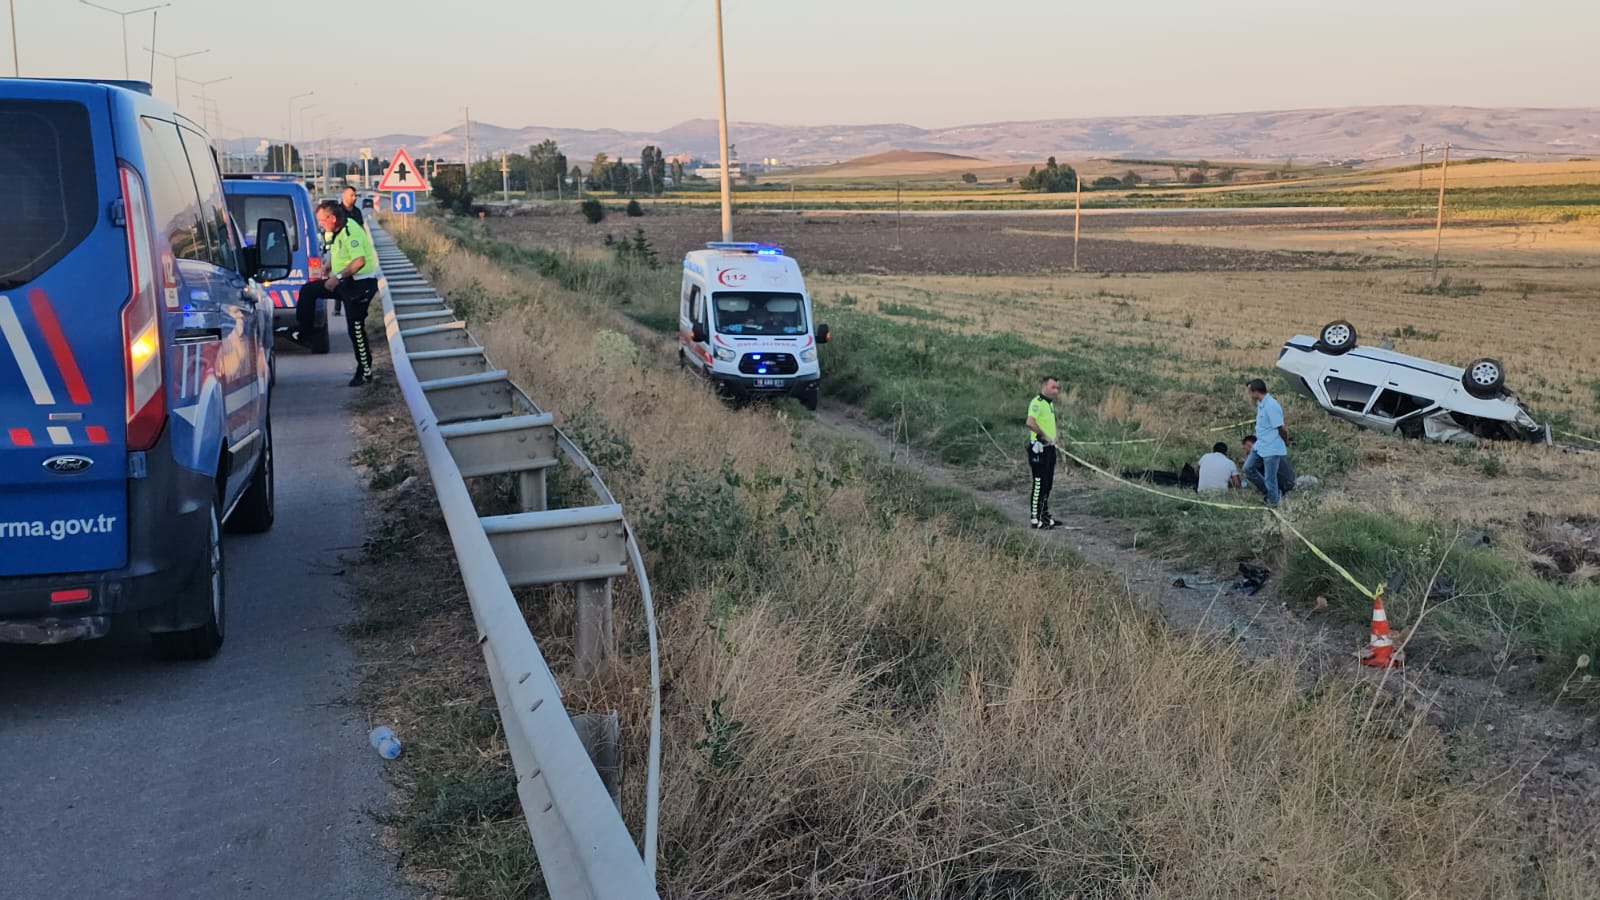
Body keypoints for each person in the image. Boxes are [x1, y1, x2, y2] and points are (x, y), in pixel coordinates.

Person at [293, 201, 379, 385]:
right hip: (345, 283)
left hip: (360, 286)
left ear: (332, 218)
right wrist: (328, 266)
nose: (321, 224)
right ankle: (306, 334)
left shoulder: (350, 231)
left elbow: (359, 261)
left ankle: (365, 372)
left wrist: (337, 277)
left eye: (322, 220)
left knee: (355, 329)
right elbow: (338, 251)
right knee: (308, 291)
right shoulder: (336, 231)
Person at [1242, 378, 1291, 507]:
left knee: (1271, 479)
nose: (1249, 394)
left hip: (1271, 448)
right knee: (1248, 469)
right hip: (1260, 445)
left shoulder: (1271, 406)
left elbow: (1280, 428)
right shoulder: (1261, 404)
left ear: (1256, 392)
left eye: (1249, 391)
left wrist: (1286, 441)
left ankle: (1273, 503)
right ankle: (1270, 493)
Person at [1025, 376, 1062, 529]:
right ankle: (1035, 518)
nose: (1056, 391)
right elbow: (1030, 423)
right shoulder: (1037, 403)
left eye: (1057, 388)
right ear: (1045, 386)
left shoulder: (1049, 404)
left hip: (1050, 449)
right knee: (1039, 483)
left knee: (1048, 484)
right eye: (1053, 387)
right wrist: (1044, 436)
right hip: (1039, 448)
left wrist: (1054, 437)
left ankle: (1044, 515)